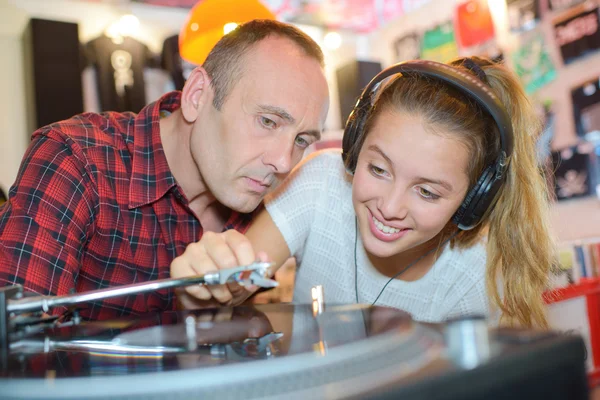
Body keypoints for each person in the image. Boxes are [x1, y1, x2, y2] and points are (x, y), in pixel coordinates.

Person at [171, 56, 555, 328]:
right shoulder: (321, 181)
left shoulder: (473, 278)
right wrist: (201, 287)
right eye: (377, 169)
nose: (389, 207)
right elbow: (230, 289)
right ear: (354, 148)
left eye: (427, 192)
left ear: (475, 200)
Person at [0, 19, 330, 320]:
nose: (284, 162)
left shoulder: (265, 205)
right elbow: (18, 349)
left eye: (301, 139)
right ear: (198, 95)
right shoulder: (77, 158)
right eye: (268, 121)